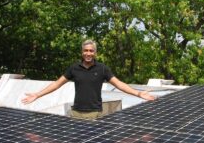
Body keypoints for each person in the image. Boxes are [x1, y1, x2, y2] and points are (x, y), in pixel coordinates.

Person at [22, 39, 156, 119]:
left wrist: (138, 93)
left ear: (95, 53)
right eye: (86, 50)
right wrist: (37, 95)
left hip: (95, 114)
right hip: (76, 113)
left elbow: (119, 84)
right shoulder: (74, 68)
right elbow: (57, 84)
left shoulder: (102, 69)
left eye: (91, 51)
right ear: (82, 52)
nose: (88, 53)